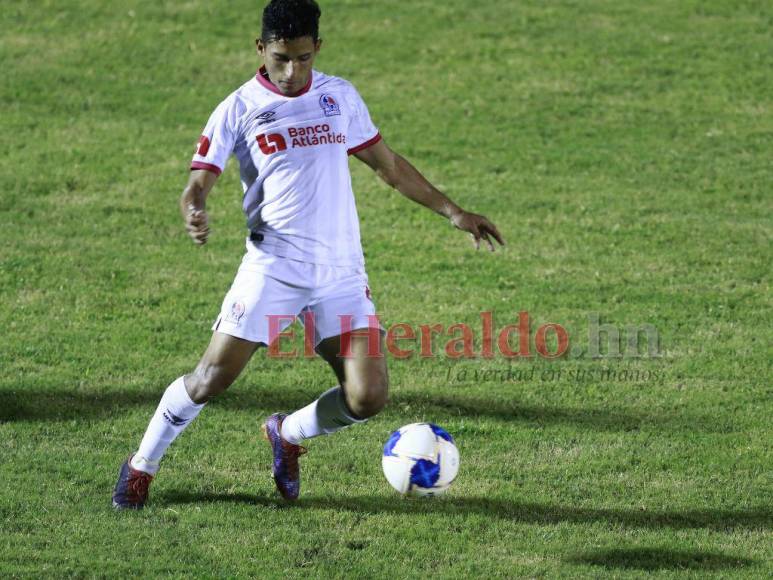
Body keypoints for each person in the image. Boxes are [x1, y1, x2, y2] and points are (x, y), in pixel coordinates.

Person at [112, 0, 504, 509]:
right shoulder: (238, 107)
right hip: (273, 268)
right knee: (210, 378)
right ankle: (142, 465)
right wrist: (194, 204)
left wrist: (453, 212)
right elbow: (200, 177)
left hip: (340, 272)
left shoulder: (339, 97)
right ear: (261, 49)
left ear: (317, 47)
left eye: (303, 57)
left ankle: (287, 433)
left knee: (367, 397)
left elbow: (388, 165)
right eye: (281, 58)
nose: (293, 71)